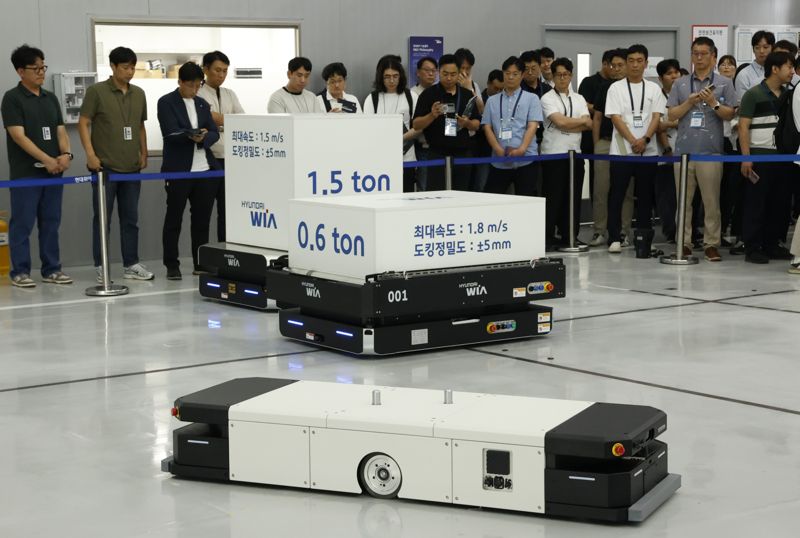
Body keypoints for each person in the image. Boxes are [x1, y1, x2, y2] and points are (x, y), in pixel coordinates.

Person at [79, 46, 153, 283]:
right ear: (113, 66)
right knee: (103, 220)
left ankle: (131, 264)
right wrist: (90, 155)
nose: (130, 72)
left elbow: (140, 126)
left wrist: (144, 152)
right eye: (125, 67)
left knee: (130, 219)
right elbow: (83, 123)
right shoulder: (97, 91)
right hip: (105, 167)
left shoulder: (139, 93)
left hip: (131, 167)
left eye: (133, 68)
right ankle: (101, 265)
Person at [1, 44, 72, 287]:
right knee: (22, 223)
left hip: (54, 173)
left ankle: (52, 269)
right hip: (26, 174)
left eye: (43, 67)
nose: (41, 72)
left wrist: (66, 154)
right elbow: (18, 136)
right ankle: (19, 271)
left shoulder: (50, 98)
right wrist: (47, 159)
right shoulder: (12, 98)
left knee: (51, 222)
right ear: (21, 71)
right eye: (36, 68)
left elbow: (60, 130)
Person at [667, 37, 737, 262]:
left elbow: (730, 114)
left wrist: (714, 102)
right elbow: (671, 114)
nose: (699, 58)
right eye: (695, 53)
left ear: (713, 56)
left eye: (704, 53)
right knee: (683, 203)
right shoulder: (680, 83)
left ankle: (711, 244)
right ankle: (684, 243)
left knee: (711, 202)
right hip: (683, 152)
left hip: (711, 152)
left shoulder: (724, 83)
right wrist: (689, 102)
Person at [157, 62, 220, 280]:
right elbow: (169, 132)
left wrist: (204, 138)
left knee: (202, 220)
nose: (194, 90)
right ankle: (171, 264)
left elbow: (214, 132)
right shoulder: (166, 102)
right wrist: (192, 134)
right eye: (190, 85)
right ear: (180, 82)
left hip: (204, 169)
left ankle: (200, 263)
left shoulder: (202, 103)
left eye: (198, 85)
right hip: (178, 169)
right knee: (174, 219)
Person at [605, 44, 666, 255]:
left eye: (639, 61)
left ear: (646, 64)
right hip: (622, 149)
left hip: (647, 150)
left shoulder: (654, 89)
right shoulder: (615, 88)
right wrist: (633, 140)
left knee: (646, 196)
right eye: (631, 61)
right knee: (617, 194)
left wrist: (645, 139)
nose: (635, 65)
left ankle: (644, 237)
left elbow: (657, 116)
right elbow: (615, 117)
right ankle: (614, 237)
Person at [738, 51, 795, 264]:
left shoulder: (790, 95)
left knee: (779, 203)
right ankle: (752, 247)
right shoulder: (753, 94)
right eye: (789, 67)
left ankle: (772, 244)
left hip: (784, 158)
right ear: (775, 69)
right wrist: (746, 157)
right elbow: (743, 127)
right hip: (760, 157)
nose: (792, 71)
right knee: (756, 204)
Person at [540, 57, 591, 249]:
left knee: (573, 197)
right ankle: (547, 237)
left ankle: (570, 236)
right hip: (554, 155)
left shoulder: (579, 99)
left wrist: (571, 123)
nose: (562, 78)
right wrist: (577, 122)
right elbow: (560, 122)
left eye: (566, 74)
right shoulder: (547, 98)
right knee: (554, 197)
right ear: (553, 77)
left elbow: (588, 124)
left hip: (575, 154)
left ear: (571, 75)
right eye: (559, 75)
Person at [412, 53, 480, 191]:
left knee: (461, 194)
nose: (449, 78)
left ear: (459, 73)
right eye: (445, 74)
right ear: (439, 72)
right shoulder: (428, 94)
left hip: (462, 153)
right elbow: (416, 124)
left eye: (453, 74)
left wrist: (466, 123)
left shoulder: (466, 94)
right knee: (436, 194)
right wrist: (432, 115)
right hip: (437, 153)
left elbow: (477, 124)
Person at [197, 50, 244, 244]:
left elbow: (242, 120)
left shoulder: (229, 93)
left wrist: (220, 123)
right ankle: (202, 253)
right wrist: (223, 122)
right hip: (208, 159)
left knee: (227, 211)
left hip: (230, 158)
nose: (221, 75)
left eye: (225, 71)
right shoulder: (198, 93)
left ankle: (226, 251)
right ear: (206, 69)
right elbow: (207, 119)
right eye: (218, 70)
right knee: (203, 211)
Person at [589, 48, 633, 247]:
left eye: (620, 65)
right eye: (613, 65)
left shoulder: (635, 87)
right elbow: (597, 118)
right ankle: (599, 231)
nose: (616, 69)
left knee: (626, 190)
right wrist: (597, 143)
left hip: (628, 144)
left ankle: (623, 231)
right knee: (601, 189)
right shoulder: (605, 87)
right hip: (606, 142)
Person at [481, 56, 542, 196]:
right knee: (493, 199)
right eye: (507, 73)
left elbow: (532, 126)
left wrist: (522, 149)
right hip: (499, 161)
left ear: (522, 75)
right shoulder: (492, 101)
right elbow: (487, 127)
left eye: (515, 74)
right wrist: (497, 148)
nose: (510, 77)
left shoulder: (532, 98)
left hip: (526, 159)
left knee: (526, 201)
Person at [363, 56, 419, 192]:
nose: (392, 80)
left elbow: (418, 127)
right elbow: (367, 129)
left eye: (395, 76)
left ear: (401, 76)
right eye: (387, 77)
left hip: (406, 158)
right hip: (380, 158)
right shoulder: (372, 99)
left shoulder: (411, 96)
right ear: (380, 78)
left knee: (407, 194)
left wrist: (400, 139)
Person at [655, 58, 681, 243]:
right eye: (669, 73)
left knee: (685, 194)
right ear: (661, 78)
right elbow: (658, 126)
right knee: (668, 195)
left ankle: (686, 230)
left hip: (685, 150)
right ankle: (671, 231)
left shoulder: (685, 95)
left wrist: (670, 123)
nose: (674, 76)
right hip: (665, 154)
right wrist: (666, 148)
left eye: (676, 72)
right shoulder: (657, 97)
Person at [472, 69, 504, 192]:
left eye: (501, 89)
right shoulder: (478, 100)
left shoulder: (506, 101)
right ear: (488, 84)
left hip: (502, 151)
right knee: (481, 185)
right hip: (484, 151)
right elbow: (479, 125)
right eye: (496, 88)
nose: (498, 92)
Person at [410, 57, 437, 191]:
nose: (431, 74)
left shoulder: (439, 92)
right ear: (418, 72)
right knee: (424, 188)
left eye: (433, 70)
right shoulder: (412, 94)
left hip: (439, 147)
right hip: (421, 147)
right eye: (427, 70)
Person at [736, 30, 775, 102]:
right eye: (757, 47)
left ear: (772, 48)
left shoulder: (777, 71)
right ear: (753, 50)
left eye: (765, 47)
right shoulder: (743, 75)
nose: (761, 51)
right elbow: (743, 103)